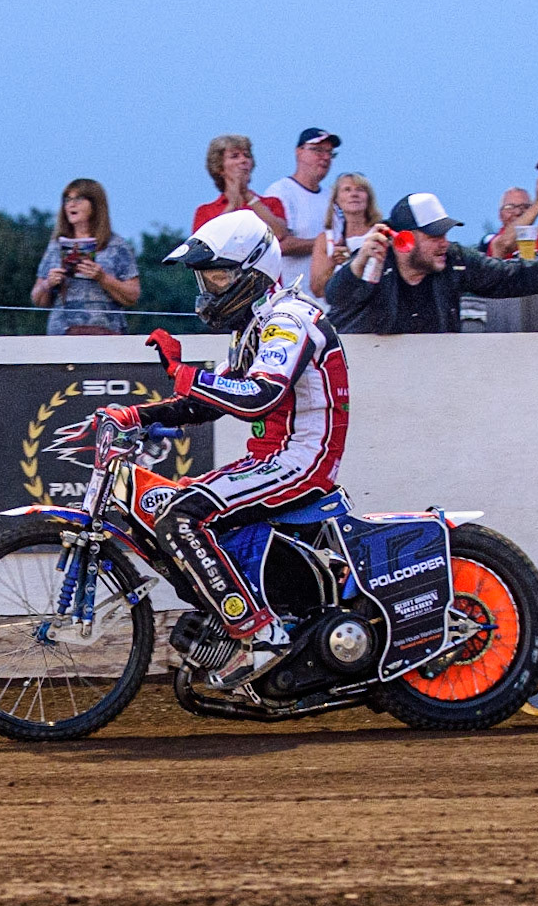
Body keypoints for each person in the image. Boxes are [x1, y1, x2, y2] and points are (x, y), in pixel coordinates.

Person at [91, 212, 348, 689]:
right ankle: (238, 623)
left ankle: (260, 633)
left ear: (253, 272)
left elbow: (259, 394)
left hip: (302, 459)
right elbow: (208, 403)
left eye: (219, 276)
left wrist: (184, 372)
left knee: (178, 516)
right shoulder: (255, 326)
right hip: (274, 456)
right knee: (172, 508)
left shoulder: (287, 320)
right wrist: (140, 415)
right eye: (205, 279)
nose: (209, 290)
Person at [324, 192, 538, 334]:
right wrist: (358, 262)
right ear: (404, 241)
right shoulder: (376, 261)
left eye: (446, 234)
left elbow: (513, 276)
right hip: (370, 387)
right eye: (434, 235)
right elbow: (335, 297)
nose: (444, 243)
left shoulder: (454, 260)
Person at [29, 178, 141, 335]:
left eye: (78, 199)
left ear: (95, 205)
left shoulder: (117, 246)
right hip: (62, 334)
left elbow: (132, 295)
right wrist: (48, 283)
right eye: (67, 199)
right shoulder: (55, 246)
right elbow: (37, 299)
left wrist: (102, 278)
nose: (71, 204)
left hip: (107, 335)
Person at [261, 128, 341, 292]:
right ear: (299, 152)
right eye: (318, 150)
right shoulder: (280, 192)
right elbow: (275, 246)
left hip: (329, 302)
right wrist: (323, 246)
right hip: (293, 301)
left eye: (330, 153)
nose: (325, 157)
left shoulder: (332, 198)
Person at [192, 135, 288, 240]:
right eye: (235, 156)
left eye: (247, 155)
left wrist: (248, 195)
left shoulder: (271, 203)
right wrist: (231, 206)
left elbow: (279, 233)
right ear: (220, 168)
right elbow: (204, 244)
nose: (243, 160)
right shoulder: (205, 211)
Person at [308, 172, 380, 293]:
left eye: (360, 189)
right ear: (336, 200)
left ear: (369, 198)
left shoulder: (380, 234)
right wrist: (333, 262)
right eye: (347, 190)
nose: (354, 194)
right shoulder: (326, 240)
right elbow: (317, 290)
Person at [478, 186, 533, 256]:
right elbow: (503, 244)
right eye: (509, 207)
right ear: (500, 214)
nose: (518, 212)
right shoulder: (489, 241)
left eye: (525, 207)